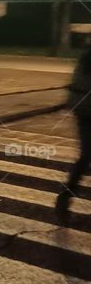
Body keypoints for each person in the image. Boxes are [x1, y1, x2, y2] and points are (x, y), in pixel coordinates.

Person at [58, 49, 91, 223]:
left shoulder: (85, 57)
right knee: (86, 157)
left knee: (85, 157)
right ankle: (65, 196)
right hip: (86, 112)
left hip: (82, 111)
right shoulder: (86, 59)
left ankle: (65, 195)